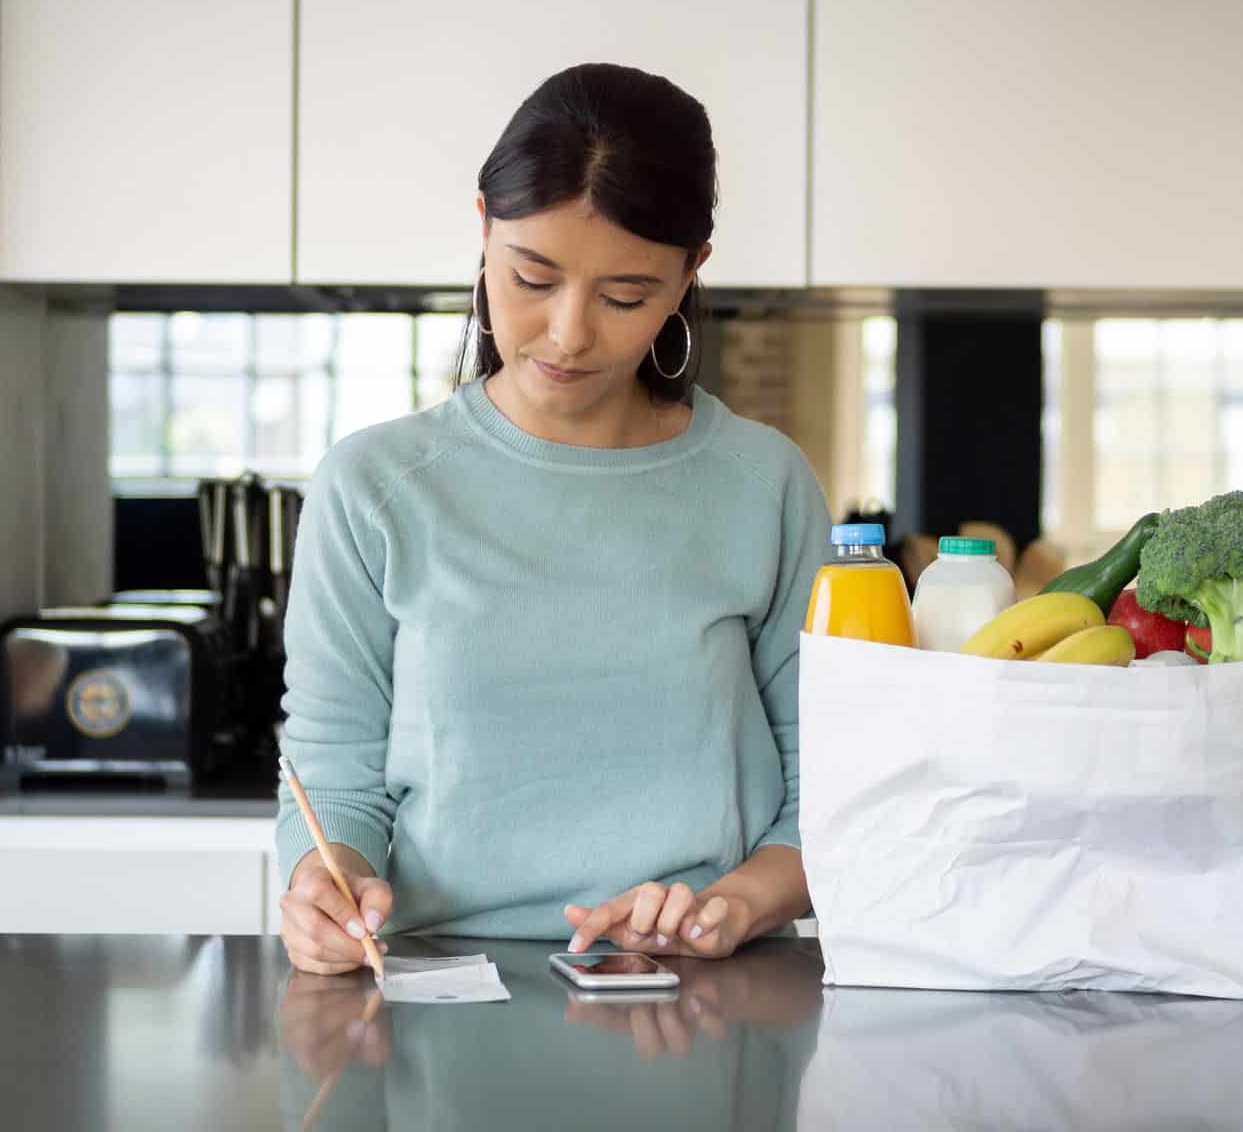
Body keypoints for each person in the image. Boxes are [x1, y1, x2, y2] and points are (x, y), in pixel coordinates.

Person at [275, 62, 831, 975]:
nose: (570, 334)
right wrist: (324, 888)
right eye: (532, 278)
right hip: (438, 992)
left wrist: (728, 908)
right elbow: (332, 773)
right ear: (483, 228)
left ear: (691, 271)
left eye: (625, 297)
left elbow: (833, 786)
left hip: (704, 990)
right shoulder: (374, 487)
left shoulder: (764, 485)